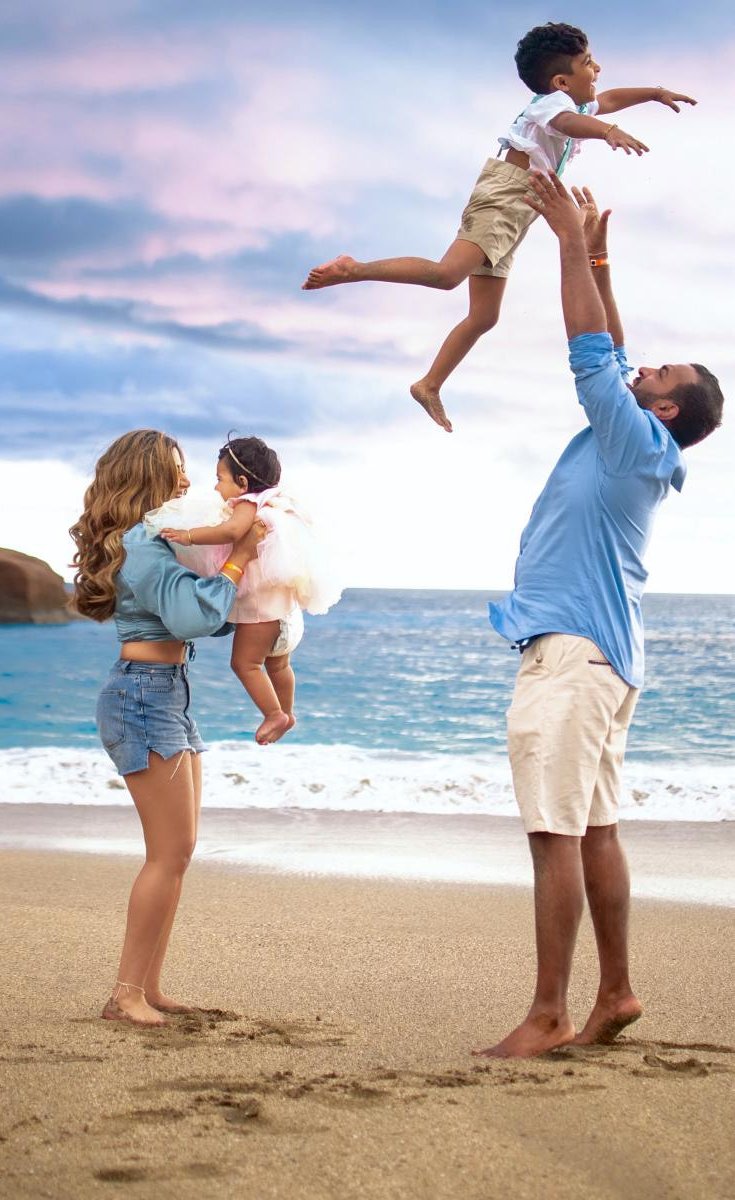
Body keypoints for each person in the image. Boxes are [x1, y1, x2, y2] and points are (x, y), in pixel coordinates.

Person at [476, 173, 723, 1059]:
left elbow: (588, 349)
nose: (641, 365)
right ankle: (612, 991)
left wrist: (566, 242)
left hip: (575, 655)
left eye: (657, 374)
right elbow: (613, 350)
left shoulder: (630, 434)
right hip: (606, 655)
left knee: (554, 835)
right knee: (595, 828)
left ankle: (548, 1011)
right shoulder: (647, 436)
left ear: (663, 408)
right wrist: (603, 256)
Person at [302, 22, 695, 434]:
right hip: (505, 193)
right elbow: (568, 124)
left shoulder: (576, 104)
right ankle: (354, 268)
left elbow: (609, 99)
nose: (597, 69)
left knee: (485, 315)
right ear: (561, 80)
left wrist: (654, 93)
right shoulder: (549, 104)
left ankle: (429, 383)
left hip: (521, 206)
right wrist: (608, 133)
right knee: (447, 274)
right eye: (588, 63)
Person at [69, 430, 264, 1028]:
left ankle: (148, 988)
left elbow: (194, 615)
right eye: (176, 470)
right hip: (144, 697)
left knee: (177, 853)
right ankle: (124, 995)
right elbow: (191, 615)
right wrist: (238, 560)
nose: (185, 482)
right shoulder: (148, 546)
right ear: (149, 475)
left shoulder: (151, 543)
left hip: (162, 694)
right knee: (169, 853)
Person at [145, 435, 342, 745]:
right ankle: (287, 713)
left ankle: (274, 714)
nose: (215, 488)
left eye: (219, 479)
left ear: (241, 482)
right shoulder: (280, 504)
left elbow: (232, 531)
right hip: (287, 617)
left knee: (244, 664)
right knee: (279, 665)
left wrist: (189, 535)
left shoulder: (247, 504)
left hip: (261, 615)